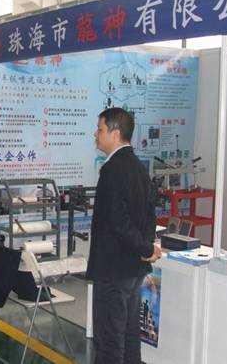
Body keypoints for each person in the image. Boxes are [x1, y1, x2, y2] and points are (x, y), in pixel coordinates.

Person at [86, 107, 161, 364]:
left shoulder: (112, 169)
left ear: (115, 133)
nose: (96, 134)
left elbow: (118, 221)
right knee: (129, 337)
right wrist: (146, 248)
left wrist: (145, 248)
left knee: (109, 341)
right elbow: (150, 215)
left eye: (100, 129)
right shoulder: (138, 167)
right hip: (133, 268)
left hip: (113, 270)